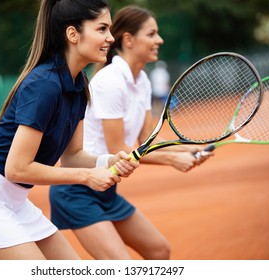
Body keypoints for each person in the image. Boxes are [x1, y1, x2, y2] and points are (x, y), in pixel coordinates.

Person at [0, 0, 139, 260]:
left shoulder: (79, 85)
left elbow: (72, 155)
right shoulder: (44, 84)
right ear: (73, 34)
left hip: (15, 201)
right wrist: (87, 177)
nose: (110, 37)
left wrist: (107, 161)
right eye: (102, 29)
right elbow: (17, 169)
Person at [49, 5, 213, 260]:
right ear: (128, 40)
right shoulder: (110, 81)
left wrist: (189, 150)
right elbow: (119, 150)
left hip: (107, 188)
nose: (159, 40)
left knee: (159, 251)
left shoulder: (142, 80)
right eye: (151, 34)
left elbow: (148, 140)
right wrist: (172, 159)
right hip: (78, 188)